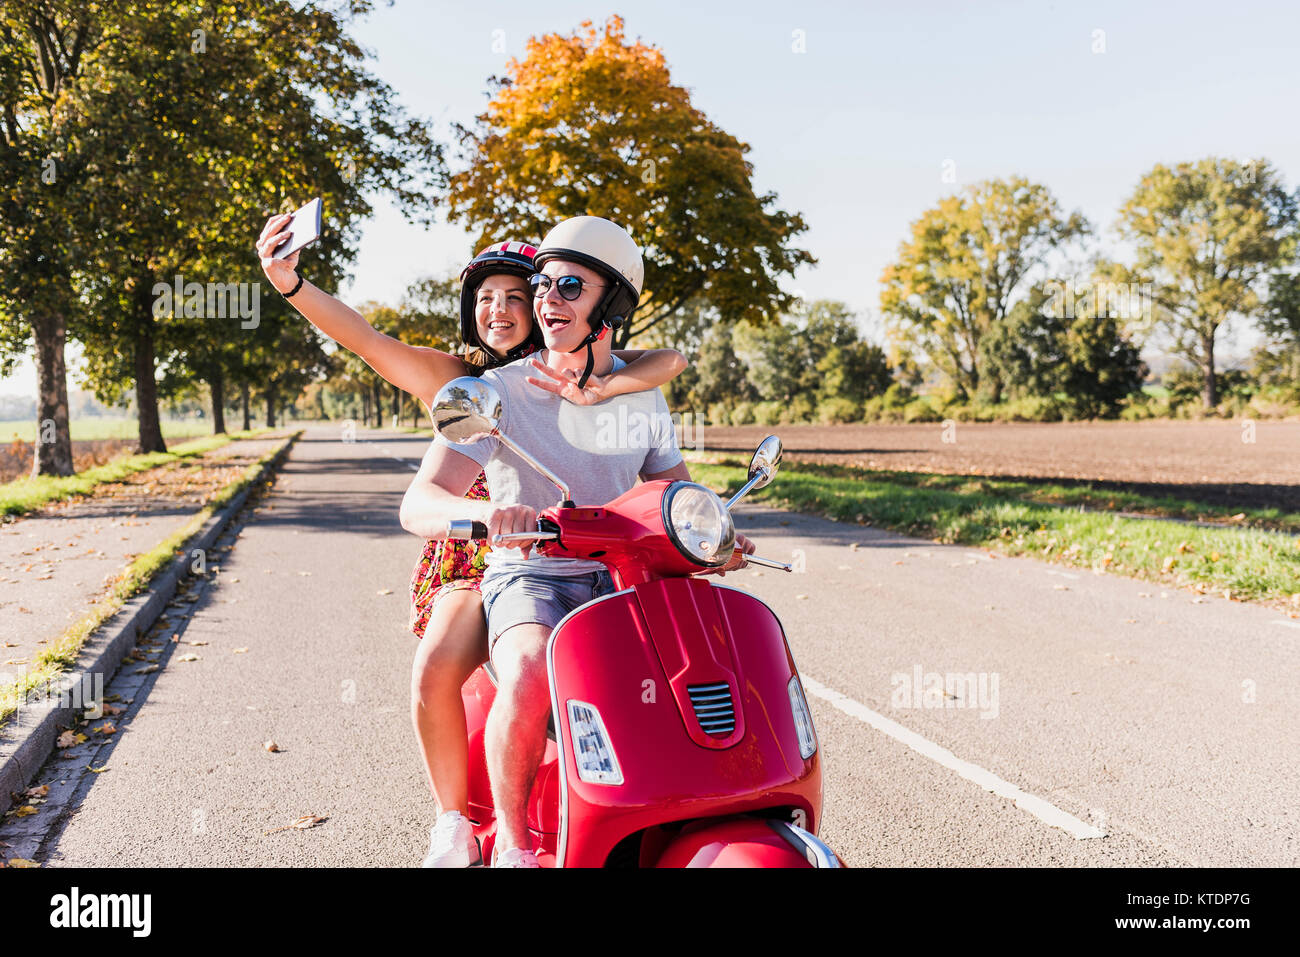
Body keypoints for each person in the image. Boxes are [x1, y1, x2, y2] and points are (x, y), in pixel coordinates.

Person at [255, 213, 688, 866]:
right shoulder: (474, 385)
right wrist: (291, 284)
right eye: (501, 295)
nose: (522, 306)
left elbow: (669, 408)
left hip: (609, 560)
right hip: (495, 546)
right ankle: (465, 825)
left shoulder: (629, 386)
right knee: (468, 663)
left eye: (529, 291)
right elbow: (371, 345)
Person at [399, 216, 753, 867]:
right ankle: (514, 842)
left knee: (713, 669)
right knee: (533, 667)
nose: (546, 299)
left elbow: (672, 489)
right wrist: (485, 518)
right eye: (542, 283)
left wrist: (715, 532)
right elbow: (419, 502)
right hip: (531, 574)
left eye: (568, 285)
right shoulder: (497, 391)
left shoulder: (642, 396)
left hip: (626, 577)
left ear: (610, 305)